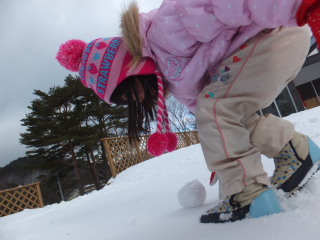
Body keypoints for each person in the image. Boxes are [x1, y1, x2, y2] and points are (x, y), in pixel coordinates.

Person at [56, 0, 320, 223]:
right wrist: (223, 150)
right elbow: (214, 123)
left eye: (127, 92)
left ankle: (247, 194)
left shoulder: (166, 28)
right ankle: (297, 151)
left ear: (129, 68)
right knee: (228, 114)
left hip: (276, 30)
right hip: (270, 44)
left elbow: (225, 4)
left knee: (216, 108)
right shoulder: (174, 79)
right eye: (125, 102)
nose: (135, 99)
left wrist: (298, 4)